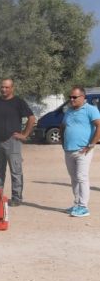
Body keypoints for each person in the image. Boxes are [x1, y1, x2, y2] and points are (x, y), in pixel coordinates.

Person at [0, 78, 36, 207]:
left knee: (16, 171)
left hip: (12, 141)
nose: (4, 89)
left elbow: (31, 119)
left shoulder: (18, 102)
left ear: (12, 88)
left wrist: (24, 134)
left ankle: (16, 197)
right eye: (2, 87)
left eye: (7, 87)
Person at [60, 86, 100, 217]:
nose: (71, 99)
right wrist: (63, 142)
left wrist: (91, 144)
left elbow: (99, 125)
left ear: (83, 97)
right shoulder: (69, 111)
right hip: (69, 150)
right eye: (70, 97)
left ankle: (84, 207)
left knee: (82, 177)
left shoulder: (91, 110)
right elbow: (63, 126)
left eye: (74, 97)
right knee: (74, 178)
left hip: (83, 151)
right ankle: (77, 204)